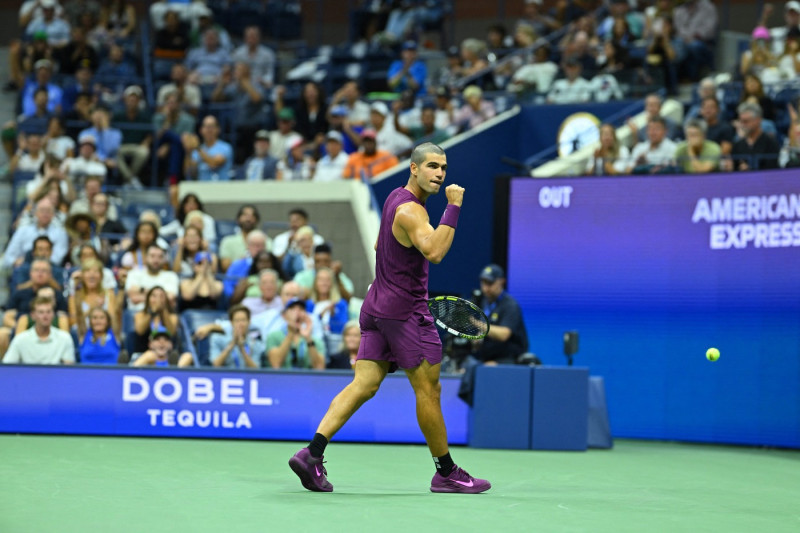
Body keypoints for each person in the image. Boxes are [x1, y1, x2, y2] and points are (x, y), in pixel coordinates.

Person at [288, 142, 491, 494]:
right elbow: (435, 251)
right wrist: (454, 207)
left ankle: (312, 453)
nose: (440, 174)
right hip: (405, 313)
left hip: (376, 304)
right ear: (413, 168)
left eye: (443, 167)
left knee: (364, 384)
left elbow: (382, 247)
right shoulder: (413, 212)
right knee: (428, 389)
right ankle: (446, 472)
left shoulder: (394, 198)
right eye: (431, 166)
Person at [3, 296, 75, 365]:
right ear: (33, 315)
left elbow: (68, 369)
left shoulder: (65, 338)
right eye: (41, 312)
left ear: (53, 314)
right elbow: (7, 366)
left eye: (48, 312)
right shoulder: (20, 339)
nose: (45, 316)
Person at [266, 297, 326, 370]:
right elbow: (276, 364)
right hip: (281, 379)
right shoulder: (274, 336)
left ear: (305, 314)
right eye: (292, 309)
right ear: (284, 315)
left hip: (306, 379)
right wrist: (291, 333)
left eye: (301, 309)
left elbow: (319, 368)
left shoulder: (315, 341)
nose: (297, 312)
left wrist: (308, 338)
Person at [725, 102, 781, 171]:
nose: (742, 125)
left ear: (758, 120)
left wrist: (750, 169)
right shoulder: (738, 145)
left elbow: (773, 170)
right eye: (741, 121)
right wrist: (730, 167)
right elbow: (734, 167)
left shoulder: (771, 144)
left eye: (746, 121)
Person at [124, 244, 180, 311]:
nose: (156, 260)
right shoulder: (133, 273)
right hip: (136, 313)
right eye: (152, 256)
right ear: (146, 257)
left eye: (160, 257)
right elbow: (133, 297)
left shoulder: (171, 276)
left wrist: (141, 290)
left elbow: (170, 297)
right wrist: (161, 297)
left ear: (164, 259)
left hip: (163, 314)